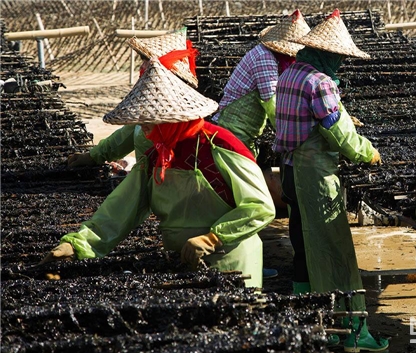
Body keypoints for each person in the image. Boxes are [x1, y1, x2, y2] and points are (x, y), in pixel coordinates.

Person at [41, 59, 276, 289]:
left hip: (232, 262)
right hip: (181, 263)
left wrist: (213, 238)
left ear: (170, 117)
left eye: (148, 119)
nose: (141, 126)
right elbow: (122, 209)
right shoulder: (157, 156)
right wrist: (78, 244)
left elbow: (259, 206)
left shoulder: (220, 146)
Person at [273, 9, 388, 352]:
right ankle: (353, 332)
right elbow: (340, 136)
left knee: (305, 247)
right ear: (328, 53)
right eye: (338, 56)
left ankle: (309, 322)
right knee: (335, 254)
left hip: (290, 173)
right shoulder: (321, 83)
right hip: (317, 177)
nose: (340, 62)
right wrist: (367, 152)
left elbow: (312, 117)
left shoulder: (291, 72)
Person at [67, 28, 197, 169]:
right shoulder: (150, 105)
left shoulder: (183, 113)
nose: (142, 67)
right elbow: (126, 135)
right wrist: (94, 156)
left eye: (146, 61)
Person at [212, 9, 310, 157]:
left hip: (244, 130)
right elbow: (273, 105)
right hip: (233, 128)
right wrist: (294, 137)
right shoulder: (265, 57)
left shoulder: (270, 56)